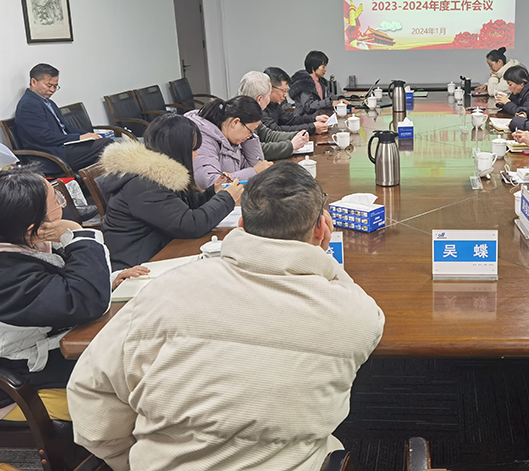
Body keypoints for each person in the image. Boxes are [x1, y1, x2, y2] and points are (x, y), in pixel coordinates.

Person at [67, 161, 385, 471]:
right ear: (322, 228)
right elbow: (367, 312)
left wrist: (130, 460)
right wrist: (324, 259)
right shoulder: (355, 314)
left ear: (241, 225)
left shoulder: (166, 290)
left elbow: (90, 392)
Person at [0, 167, 146, 423]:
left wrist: (108, 281)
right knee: (144, 370)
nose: (61, 203)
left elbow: (53, 287)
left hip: (51, 348)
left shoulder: (23, 242)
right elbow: (84, 301)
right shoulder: (7, 272)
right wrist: (78, 234)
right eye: (55, 199)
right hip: (31, 374)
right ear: (35, 228)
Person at [99, 114, 244, 270]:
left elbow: (181, 208)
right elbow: (190, 225)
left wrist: (213, 192)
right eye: (193, 149)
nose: (197, 154)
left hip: (160, 250)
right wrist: (227, 198)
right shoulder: (143, 185)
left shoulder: (157, 175)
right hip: (139, 266)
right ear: (177, 150)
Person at [14, 63, 112, 175]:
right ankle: (101, 182)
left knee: (104, 143)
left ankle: (99, 181)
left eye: (55, 86)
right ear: (34, 82)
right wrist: (79, 137)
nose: (52, 90)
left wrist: (88, 135)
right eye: (49, 85)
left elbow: (66, 127)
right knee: (107, 145)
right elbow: (44, 137)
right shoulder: (28, 105)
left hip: (64, 147)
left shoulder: (49, 103)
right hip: (51, 155)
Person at [186, 96, 271, 190]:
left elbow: (258, 169)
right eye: (250, 130)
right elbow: (210, 183)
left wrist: (250, 140)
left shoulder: (231, 138)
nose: (250, 135)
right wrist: (254, 172)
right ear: (235, 122)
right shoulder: (202, 139)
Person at [237, 71, 311, 159]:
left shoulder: (250, 110)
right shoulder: (241, 116)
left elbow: (267, 135)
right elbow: (256, 150)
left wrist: (295, 135)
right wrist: (290, 146)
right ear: (259, 99)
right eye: (269, 95)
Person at [262, 67, 329, 135]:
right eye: (283, 91)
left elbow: (290, 120)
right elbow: (275, 130)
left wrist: (314, 119)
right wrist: (312, 128)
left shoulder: (274, 104)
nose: (286, 95)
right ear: (270, 88)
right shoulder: (260, 107)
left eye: (286, 91)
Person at [289, 50, 348, 116]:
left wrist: (340, 99)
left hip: (319, 117)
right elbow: (309, 106)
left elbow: (329, 96)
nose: (325, 69)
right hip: (305, 119)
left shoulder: (321, 82)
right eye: (323, 66)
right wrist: (330, 103)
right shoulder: (304, 84)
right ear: (313, 67)